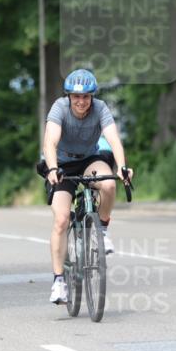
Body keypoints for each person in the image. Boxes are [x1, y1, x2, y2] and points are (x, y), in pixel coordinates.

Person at [42, 68, 133, 306]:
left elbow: (114, 140)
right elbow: (50, 141)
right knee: (61, 220)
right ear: (69, 96)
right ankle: (59, 281)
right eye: (76, 97)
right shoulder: (59, 108)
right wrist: (52, 169)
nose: (81, 101)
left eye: (85, 97)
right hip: (62, 164)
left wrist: (122, 167)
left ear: (92, 96)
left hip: (89, 160)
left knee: (109, 185)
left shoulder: (100, 108)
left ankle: (101, 230)